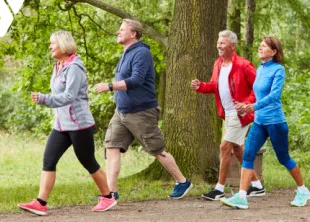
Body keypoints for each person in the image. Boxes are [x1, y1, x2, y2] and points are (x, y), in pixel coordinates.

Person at [18, 31, 117, 215]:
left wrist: (44, 99)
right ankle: (41, 202)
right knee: (49, 160)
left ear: (63, 45)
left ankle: (108, 197)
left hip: (79, 125)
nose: (50, 47)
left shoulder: (74, 68)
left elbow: (69, 96)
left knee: (88, 161)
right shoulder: (58, 66)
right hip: (61, 125)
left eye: (53, 43)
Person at [95, 19, 193, 200]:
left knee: (157, 149)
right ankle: (110, 194)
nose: (118, 32)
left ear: (133, 34)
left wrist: (109, 86)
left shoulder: (141, 53)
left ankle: (182, 181)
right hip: (121, 111)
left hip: (141, 112)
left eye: (122, 29)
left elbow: (136, 80)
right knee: (111, 147)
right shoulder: (126, 53)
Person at [221, 37, 310, 209]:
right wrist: (245, 105)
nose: (260, 48)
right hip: (259, 121)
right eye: (260, 46)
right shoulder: (260, 69)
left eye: (264, 46)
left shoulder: (278, 70)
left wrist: (252, 106)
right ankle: (241, 197)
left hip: (275, 122)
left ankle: (303, 190)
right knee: (248, 155)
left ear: (274, 51)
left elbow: (274, 96)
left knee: (283, 158)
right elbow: (257, 94)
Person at [191, 30, 265, 201]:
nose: (219, 45)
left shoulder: (244, 65)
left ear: (233, 46)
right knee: (238, 150)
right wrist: (200, 86)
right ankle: (257, 186)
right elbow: (213, 85)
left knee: (224, 147)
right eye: (218, 42)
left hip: (240, 115)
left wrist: (247, 104)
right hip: (227, 114)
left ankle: (219, 189)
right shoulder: (218, 64)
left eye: (222, 43)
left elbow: (258, 89)